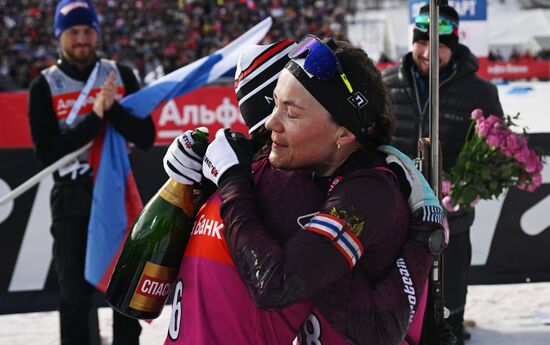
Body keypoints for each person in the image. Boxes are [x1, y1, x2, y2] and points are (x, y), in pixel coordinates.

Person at [163, 39, 442, 345]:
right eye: (274, 104)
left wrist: (231, 179)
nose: (271, 123)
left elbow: (276, 286)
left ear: (345, 134)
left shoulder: (362, 192)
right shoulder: (304, 174)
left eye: (290, 113)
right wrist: (200, 168)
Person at [27, 1, 155, 344]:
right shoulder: (45, 86)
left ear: (96, 33)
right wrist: (96, 116)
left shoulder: (120, 75)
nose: (81, 39)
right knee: (73, 295)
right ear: (60, 37)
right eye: (73, 33)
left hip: (117, 193)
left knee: (123, 291)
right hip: (72, 198)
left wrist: (113, 110)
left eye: (87, 31)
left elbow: (146, 137)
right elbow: (47, 153)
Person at [382, 4, 504, 344]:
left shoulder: (481, 92)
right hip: (398, 216)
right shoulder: (388, 83)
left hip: (453, 216)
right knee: (401, 294)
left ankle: (452, 331)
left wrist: (473, 186)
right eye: (421, 43)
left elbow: (497, 153)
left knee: (450, 296)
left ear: (453, 45)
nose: (427, 53)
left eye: (437, 46)